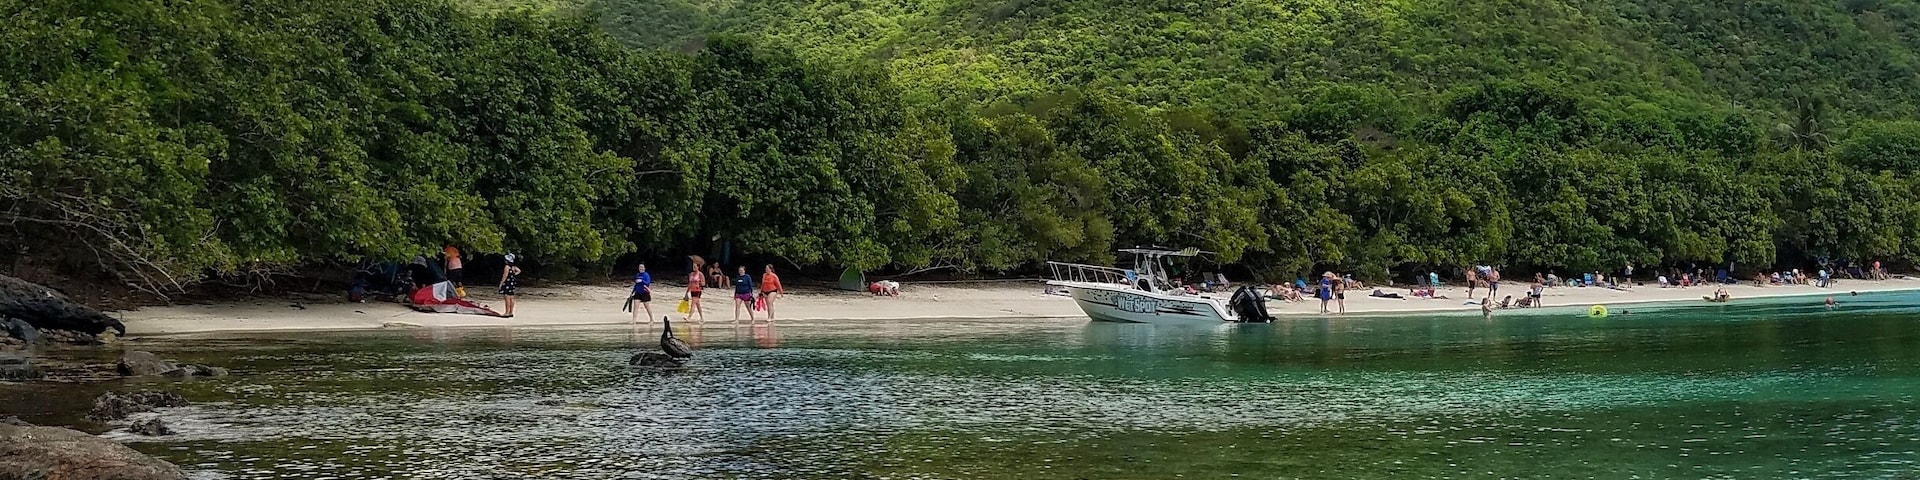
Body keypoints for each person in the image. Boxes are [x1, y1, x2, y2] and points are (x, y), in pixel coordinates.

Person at [497, 254, 520, 318]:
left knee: (507, 298)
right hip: (512, 283)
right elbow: (519, 271)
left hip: (507, 283)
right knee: (511, 297)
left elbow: (505, 275)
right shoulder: (513, 267)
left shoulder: (507, 267)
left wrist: (501, 283)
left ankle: (507, 312)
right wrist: (514, 274)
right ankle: (511, 312)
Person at [686, 256, 707, 322]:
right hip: (692, 290)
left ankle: (689, 317)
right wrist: (686, 292)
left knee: (693, 303)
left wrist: (699, 284)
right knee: (698, 305)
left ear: (698, 267)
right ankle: (702, 318)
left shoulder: (700, 274)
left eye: (695, 267)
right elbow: (689, 284)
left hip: (697, 291)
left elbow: (703, 283)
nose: (694, 268)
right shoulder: (691, 274)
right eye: (693, 266)